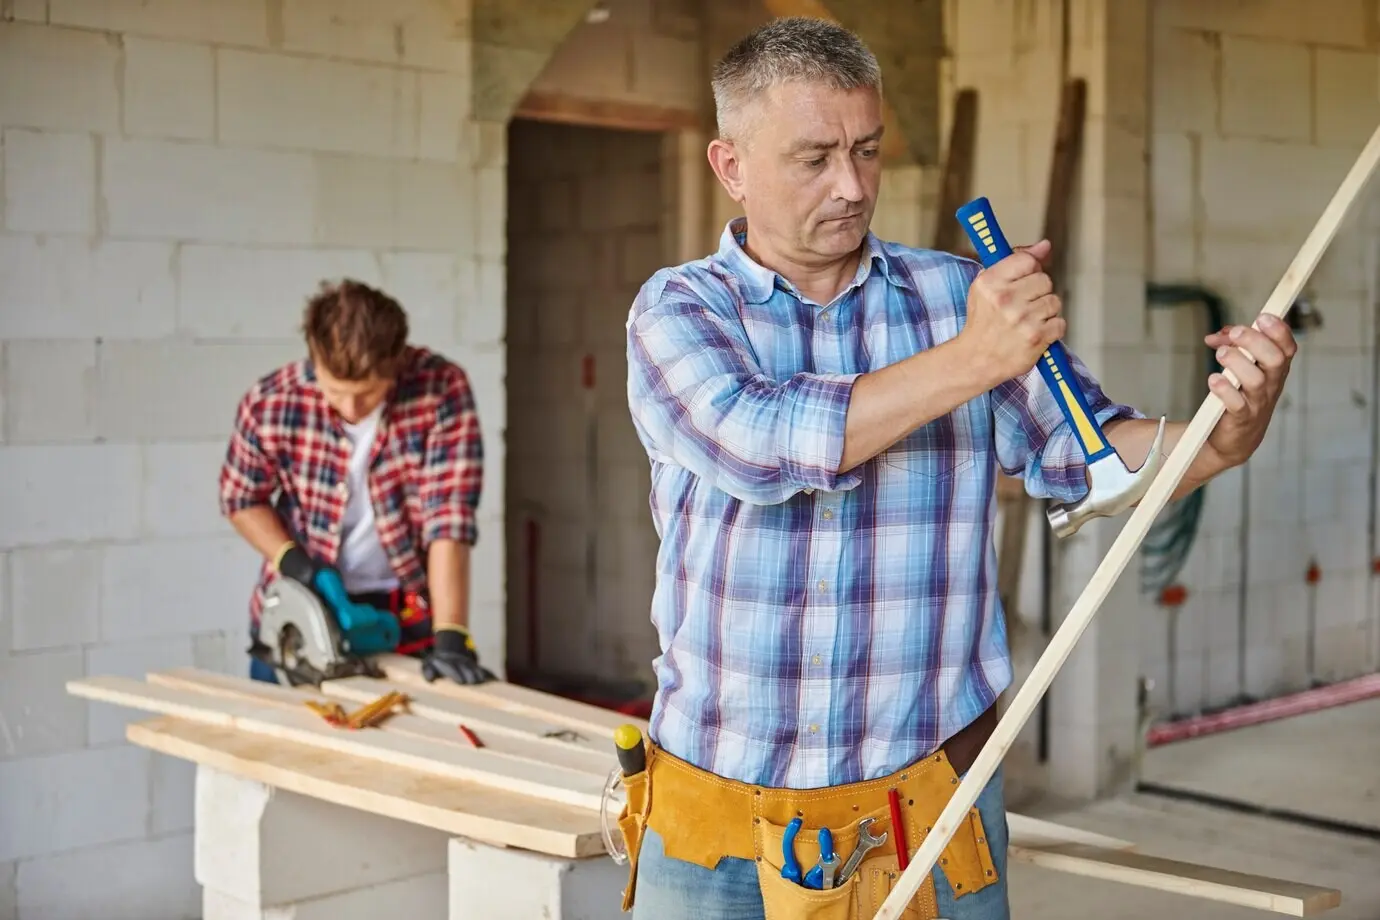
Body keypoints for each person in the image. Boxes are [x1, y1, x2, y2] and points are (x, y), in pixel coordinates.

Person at [618, 16, 1296, 920]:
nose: (853, 185)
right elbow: (757, 442)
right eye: (815, 157)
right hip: (714, 820)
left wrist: (1224, 429)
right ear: (731, 166)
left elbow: (1093, 456)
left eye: (867, 149)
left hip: (930, 811)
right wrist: (975, 359)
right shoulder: (677, 310)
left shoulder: (954, 296)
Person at [218, 278, 495, 686]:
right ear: (314, 357)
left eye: (366, 395)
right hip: (300, 612)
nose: (350, 408)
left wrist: (451, 635)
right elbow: (241, 498)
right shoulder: (271, 402)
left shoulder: (441, 390)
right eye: (335, 391)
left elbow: (448, 518)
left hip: (403, 611)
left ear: (397, 363)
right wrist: (296, 563)